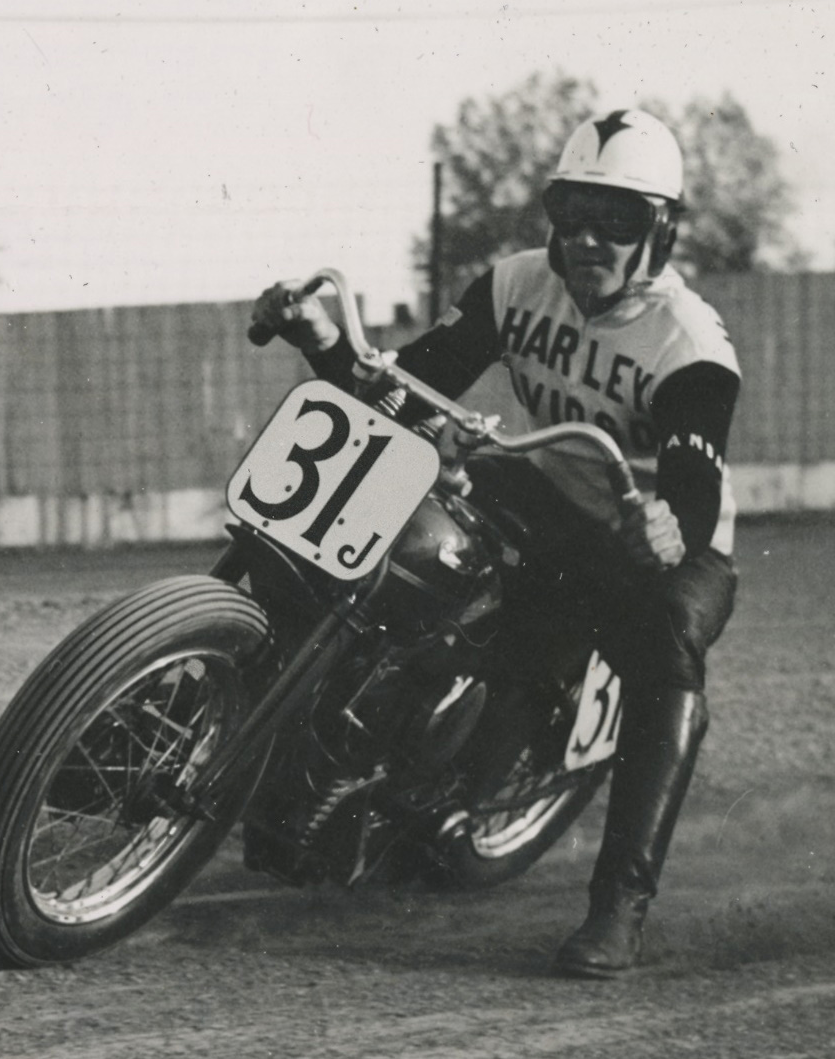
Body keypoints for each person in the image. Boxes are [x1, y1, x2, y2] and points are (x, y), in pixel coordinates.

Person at [249, 108, 740, 979]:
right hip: (549, 485)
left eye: (617, 219)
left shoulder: (689, 342)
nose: (587, 239)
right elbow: (413, 382)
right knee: (400, 508)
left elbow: (696, 469)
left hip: (651, 537)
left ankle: (619, 906)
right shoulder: (515, 283)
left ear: (661, 229)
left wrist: (672, 524)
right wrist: (324, 342)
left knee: (665, 645)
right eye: (572, 212)